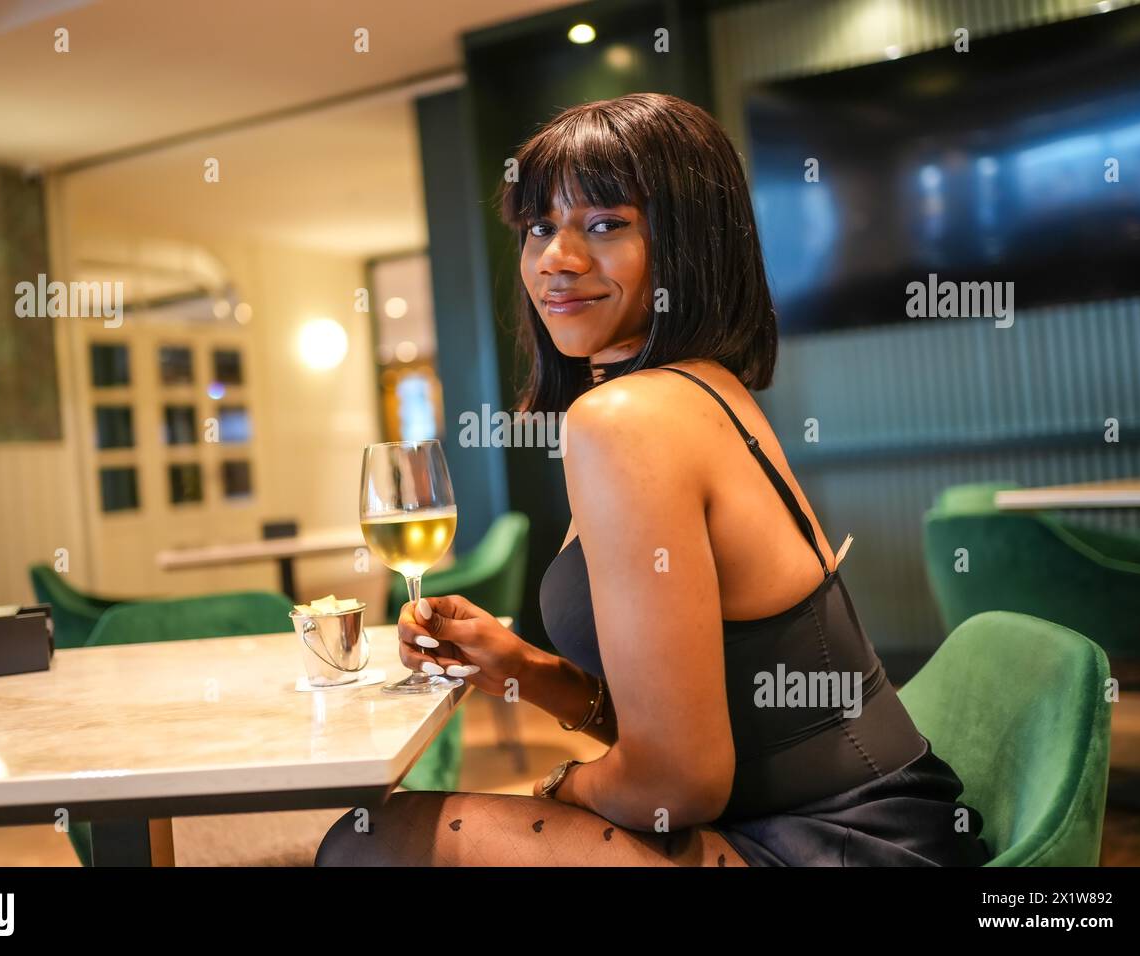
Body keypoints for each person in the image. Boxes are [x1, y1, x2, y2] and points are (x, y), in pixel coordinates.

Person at [315, 92, 991, 867]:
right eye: (540, 227)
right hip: (879, 812)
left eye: (605, 225)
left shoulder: (628, 417)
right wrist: (527, 669)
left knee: (371, 845)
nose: (554, 260)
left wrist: (562, 787)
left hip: (841, 844)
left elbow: (678, 782)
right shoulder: (699, 386)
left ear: (688, 244)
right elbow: (695, 728)